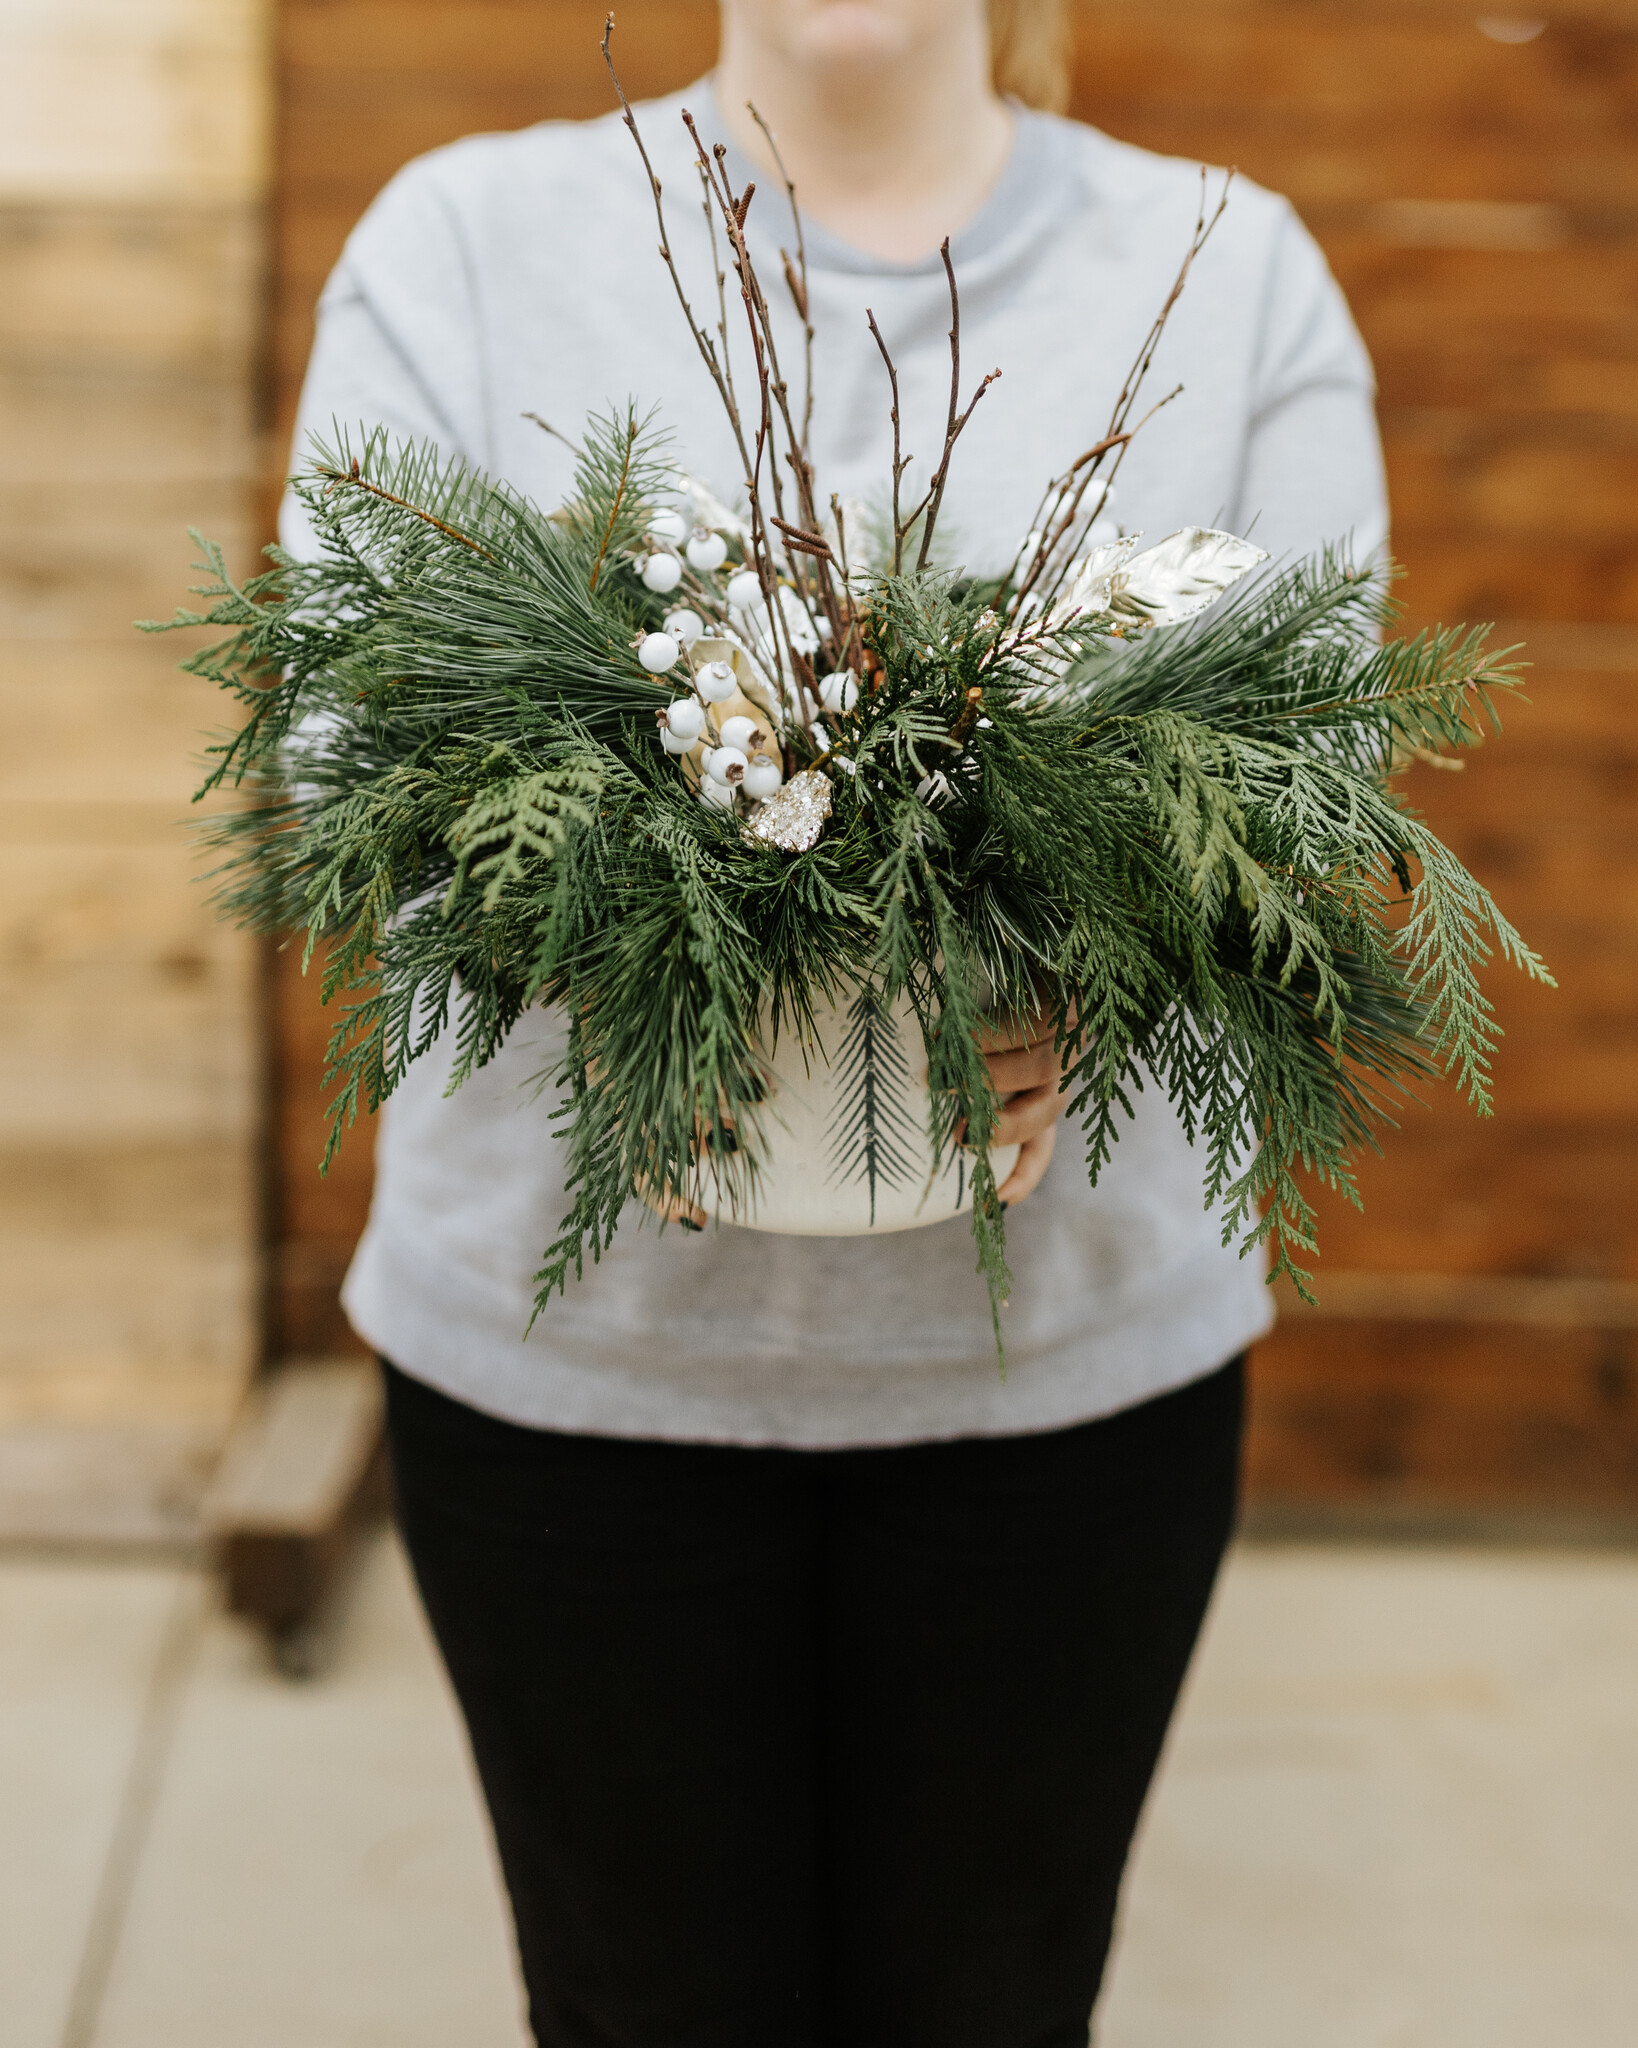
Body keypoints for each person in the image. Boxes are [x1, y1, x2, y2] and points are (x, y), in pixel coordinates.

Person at [284, 2, 1387, 2041]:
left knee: (994, 1998)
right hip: (570, 1399)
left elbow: (1311, 787)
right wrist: (633, 970)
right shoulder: (463, 247)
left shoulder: (1227, 275)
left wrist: (1086, 964)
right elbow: (347, 765)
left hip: (1062, 1408)